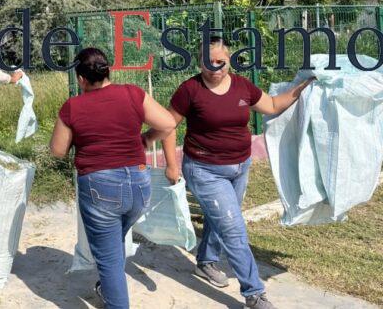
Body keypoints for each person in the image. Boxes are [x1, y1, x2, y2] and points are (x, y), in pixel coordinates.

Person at [161, 36, 313, 309]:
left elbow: (274, 105)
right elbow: (166, 125)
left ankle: (206, 262)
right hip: (205, 170)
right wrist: (172, 165)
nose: (216, 68)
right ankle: (254, 294)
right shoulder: (190, 90)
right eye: (209, 62)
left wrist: (304, 87)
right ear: (199, 62)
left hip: (240, 166)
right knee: (233, 229)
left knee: (220, 219)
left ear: (229, 61)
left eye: (222, 62)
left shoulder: (243, 86)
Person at [50, 47, 177, 309]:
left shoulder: (72, 107)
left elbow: (58, 150)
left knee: (108, 258)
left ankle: (115, 298)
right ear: (109, 71)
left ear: (81, 79)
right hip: (139, 185)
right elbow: (168, 124)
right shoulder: (132, 93)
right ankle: (108, 288)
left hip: (100, 187)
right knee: (114, 242)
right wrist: (146, 139)